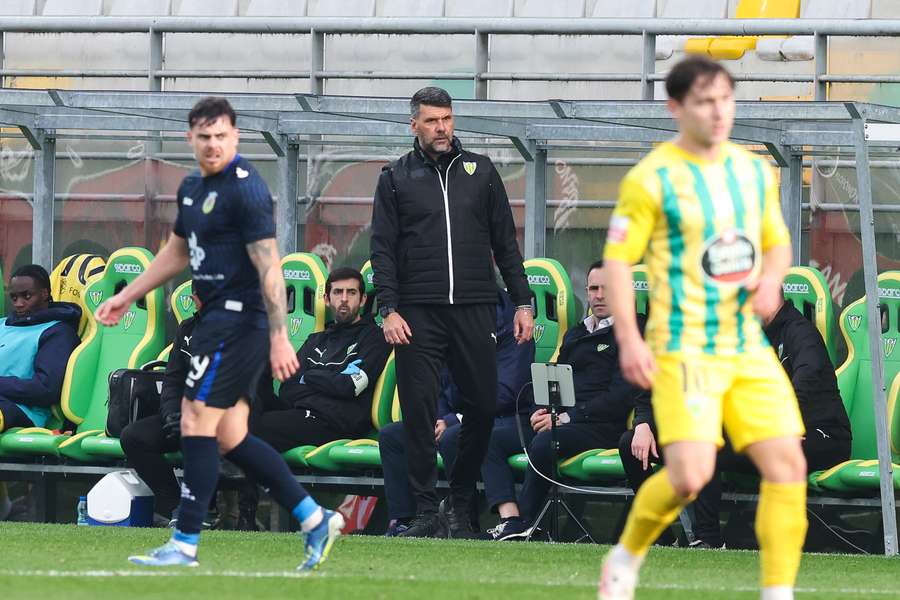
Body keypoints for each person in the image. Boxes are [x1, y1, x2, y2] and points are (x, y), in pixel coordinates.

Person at [96, 96, 343, 570]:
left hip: (241, 322)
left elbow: (269, 266)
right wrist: (129, 295)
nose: (213, 144)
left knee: (195, 421)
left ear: (236, 137)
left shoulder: (246, 189)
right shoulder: (191, 188)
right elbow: (175, 253)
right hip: (213, 322)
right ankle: (314, 518)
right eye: (204, 137)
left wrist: (277, 335)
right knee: (229, 434)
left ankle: (185, 542)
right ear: (190, 139)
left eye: (221, 136)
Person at [599, 56, 807, 600]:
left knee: (788, 462)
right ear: (676, 108)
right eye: (705, 102)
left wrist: (772, 280)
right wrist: (628, 337)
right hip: (683, 348)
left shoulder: (752, 170)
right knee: (689, 476)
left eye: (726, 99)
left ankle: (777, 592)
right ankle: (625, 556)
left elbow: (776, 241)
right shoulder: (651, 179)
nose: (719, 112)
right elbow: (618, 262)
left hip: (745, 345)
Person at [370, 86, 534, 538]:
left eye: (447, 119)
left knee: (481, 406)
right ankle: (425, 510)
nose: (441, 128)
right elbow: (382, 250)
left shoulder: (480, 171)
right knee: (419, 411)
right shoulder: (395, 177)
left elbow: (506, 244)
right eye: (432, 121)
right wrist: (388, 309)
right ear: (414, 125)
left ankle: (460, 501)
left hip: (475, 307)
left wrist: (523, 302)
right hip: (417, 312)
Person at [483, 260, 648, 541]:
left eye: (606, 289)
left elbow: (622, 396)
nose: (598, 295)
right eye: (593, 288)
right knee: (489, 438)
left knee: (545, 442)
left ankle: (527, 522)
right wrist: (541, 409)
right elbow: (553, 376)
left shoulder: (632, 332)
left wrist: (568, 417)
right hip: (562, 420)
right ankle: (510, 519)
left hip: (601, 425)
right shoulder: (576, 332)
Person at [686, 296, 852, 549]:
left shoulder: (801, 332)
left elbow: (808, 376)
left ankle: (792, 537)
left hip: (824, 435)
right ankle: (707, 540)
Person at [379, 288, 534, 537]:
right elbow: (435, 379)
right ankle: (406, 521)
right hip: (454, 419)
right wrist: (437, 417)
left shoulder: (510, 323)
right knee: (392, 437)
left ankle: (464, 522)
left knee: (456, 437)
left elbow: (506, 391)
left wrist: (452, 419)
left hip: (503, 419)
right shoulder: (448, 318)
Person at [252, 266, 391, 451]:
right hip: (300, 412)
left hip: (336, 422)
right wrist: (330, 381)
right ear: (327, 299)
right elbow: (288, 388)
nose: (344, 299)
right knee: (247, 396)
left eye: (351, 292)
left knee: (259, 427)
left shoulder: (375, 338)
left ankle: (239, 469)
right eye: (337, 292)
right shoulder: (315, 339)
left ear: (363, 299)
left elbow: (349, 386)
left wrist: (308, 377)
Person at [0, 264, 81, 432]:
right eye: (14, 298)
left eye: (27, 296)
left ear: (45, 294)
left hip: (20, 411)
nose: (19, 304)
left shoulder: (58, 332)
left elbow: (45, 389)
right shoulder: (2, 324)